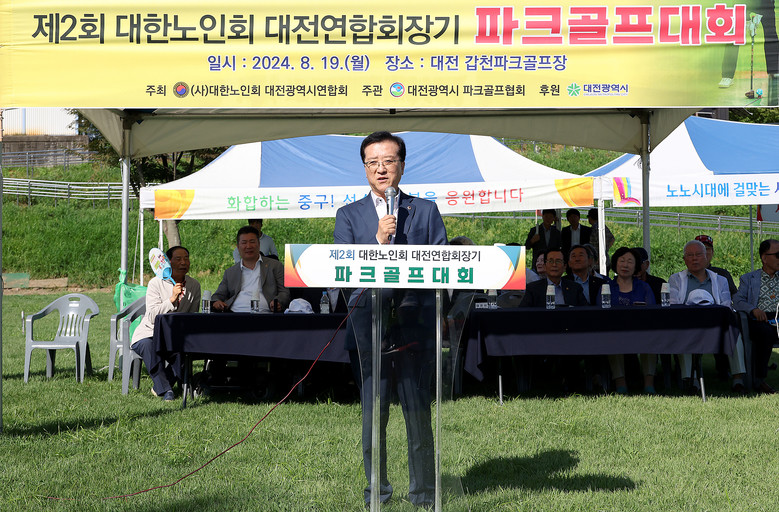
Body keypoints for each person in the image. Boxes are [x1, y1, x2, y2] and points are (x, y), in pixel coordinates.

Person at [333, 131, 447, 508]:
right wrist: (378, 242)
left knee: (418, 416)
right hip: (369, 330)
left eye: (388, 161)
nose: (381, 169)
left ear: (402, 164)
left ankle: (424, 494)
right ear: (365, 168)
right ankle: (376, 495)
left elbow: (443, 268)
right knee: (373, 418)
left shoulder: (425, 211)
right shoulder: (349, 216)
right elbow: (342, 273)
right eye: (373, 163)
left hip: (414, 328)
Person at [669, 240, 745, 394]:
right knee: (682, 333)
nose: (694, 258)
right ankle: (692, 381)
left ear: (706, 257)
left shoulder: (720, 280)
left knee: (733, 332)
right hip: (688, 326)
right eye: (690, 255)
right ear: (684, 259)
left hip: (715, 326)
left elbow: (726, 306)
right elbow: (673, 306)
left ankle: (738, 380)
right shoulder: (675, 279)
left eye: (698, 254)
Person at [131, 246, 201, 401]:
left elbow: (192, 315)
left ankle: (160, 386)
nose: (183, 262)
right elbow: (152, 316)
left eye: (186, 258)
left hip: (175, 335)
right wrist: (171, 300)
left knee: (182, 354)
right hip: (148, 333)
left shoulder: (194, 285)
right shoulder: (155, 283)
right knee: (149, 347)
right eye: (178, 259)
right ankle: (166, 391)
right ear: (168, 262)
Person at [606, 247, 657, 394]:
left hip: (641, 330)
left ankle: (649, 384)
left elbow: (652, 311)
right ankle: (620, 383)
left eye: (630, 262)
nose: (625, 265)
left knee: (651, 338)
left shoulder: (644, 287)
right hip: (615, 330)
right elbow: (601, 312)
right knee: (611, 338)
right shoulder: (607, 287)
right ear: (615, 264)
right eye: (622, 261)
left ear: (636, 267)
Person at [732, 238, 779, 394]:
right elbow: (737, 300)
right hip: (760, 319)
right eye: (778, 255)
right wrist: (753, 309)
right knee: (765, 333)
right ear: (764, 258)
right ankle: (759, 380)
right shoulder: (749, 278)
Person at [212, 225, 290, 313]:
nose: (248, 246)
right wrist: (216, 302)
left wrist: (278, 302)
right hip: (234, 314)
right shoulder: (230, 272)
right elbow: (217, 295)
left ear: (259, 244)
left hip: (265, 314)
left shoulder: (275, 266)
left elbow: (284, 292)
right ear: (238, 247)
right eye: (244, 243)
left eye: (252, 242)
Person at [695, 234, 738, 381]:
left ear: (712, 253)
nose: (704, 253)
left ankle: (725, 369)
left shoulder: (722, 274)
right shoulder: (684, 276)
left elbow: (735, 296)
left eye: (707, 249)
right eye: (700, 249)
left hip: (719, 320)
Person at [520, 248, 588, 307]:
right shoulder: (533, 289)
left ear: (564, 266)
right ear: (545, 265)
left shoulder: (575, 288)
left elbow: (586, 311)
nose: (554, 265)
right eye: (550, 261)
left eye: (558, 261)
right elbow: (523, 312)